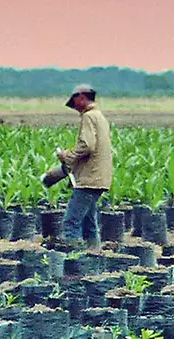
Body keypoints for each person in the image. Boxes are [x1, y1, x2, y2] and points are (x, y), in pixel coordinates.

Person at [55, 84, 113, 250]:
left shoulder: (89, 117)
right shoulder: (99, 116)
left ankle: (75, 262)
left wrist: (68, 156)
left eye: (74, 100)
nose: (75, 107)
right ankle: (93, 256)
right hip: (99, 178)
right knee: (89, 223)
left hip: (89, 179)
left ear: (81, 97)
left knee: (71, 222)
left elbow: (87, 145)